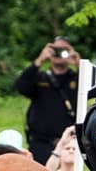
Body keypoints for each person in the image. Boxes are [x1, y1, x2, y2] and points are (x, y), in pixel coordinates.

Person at [14, 36, 79, 164]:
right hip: (40, 143)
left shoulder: (77, 79)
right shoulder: (40, 78)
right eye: (56, 49)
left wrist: (79, 63)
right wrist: (39, 61)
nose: (59, 53)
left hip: (68, 144)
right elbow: (21, 87)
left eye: (64, 50)